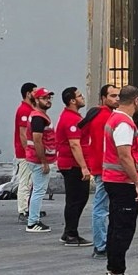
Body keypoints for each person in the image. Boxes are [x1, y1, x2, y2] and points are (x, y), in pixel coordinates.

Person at [101, 86, 138, 275]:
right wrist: (137, 182)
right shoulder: (124, 123)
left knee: (116, 227)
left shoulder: (114, 118)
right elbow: (124, 155)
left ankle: (114, 272)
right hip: (122, 182)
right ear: (136, 100)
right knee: (123, 229)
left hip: (114, 180)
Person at [55, 86, 91, 245]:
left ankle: (69, 231)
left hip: (72, 164)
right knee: (76, 199)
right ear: (72, 100)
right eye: (79, 96)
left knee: (78, 198)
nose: (82, 98)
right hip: (72, 165)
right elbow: (74, 145)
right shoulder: (71, 119)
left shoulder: (73, 116)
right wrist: (84, 167)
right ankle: (71, 233)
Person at [84, 84, 117, 255]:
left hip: (99, 166)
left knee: (102, 206)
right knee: (102, 207)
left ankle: (102, 242)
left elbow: (81, 136)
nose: (116, 99)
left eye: (117, 95)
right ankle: (101, 245)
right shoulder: (110, 117)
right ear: (103, 98)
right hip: (106, 167)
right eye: (112, 96)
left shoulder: (95, 114)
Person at [25, 88, 56, 232]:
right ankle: (33, 222)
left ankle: (33, 219)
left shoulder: (39, 116)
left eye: (49, 98)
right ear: (36, 100)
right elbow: (37, 141)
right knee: (38, 191)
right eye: (44, 98)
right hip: (38, 160)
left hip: (35, 158)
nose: (48, 100)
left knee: (36, 190)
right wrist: (44, 162)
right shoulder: (39, 118)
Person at [13, 81, 38, 222]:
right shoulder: (24, 110)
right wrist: (28, 152)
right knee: (26, 182)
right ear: (28, 94)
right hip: (25, 154)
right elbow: (23, 134)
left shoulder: (29, 109)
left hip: (28, 153)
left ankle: (30, 208)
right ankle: (23, 211)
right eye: (34, 92)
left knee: (31, 182)